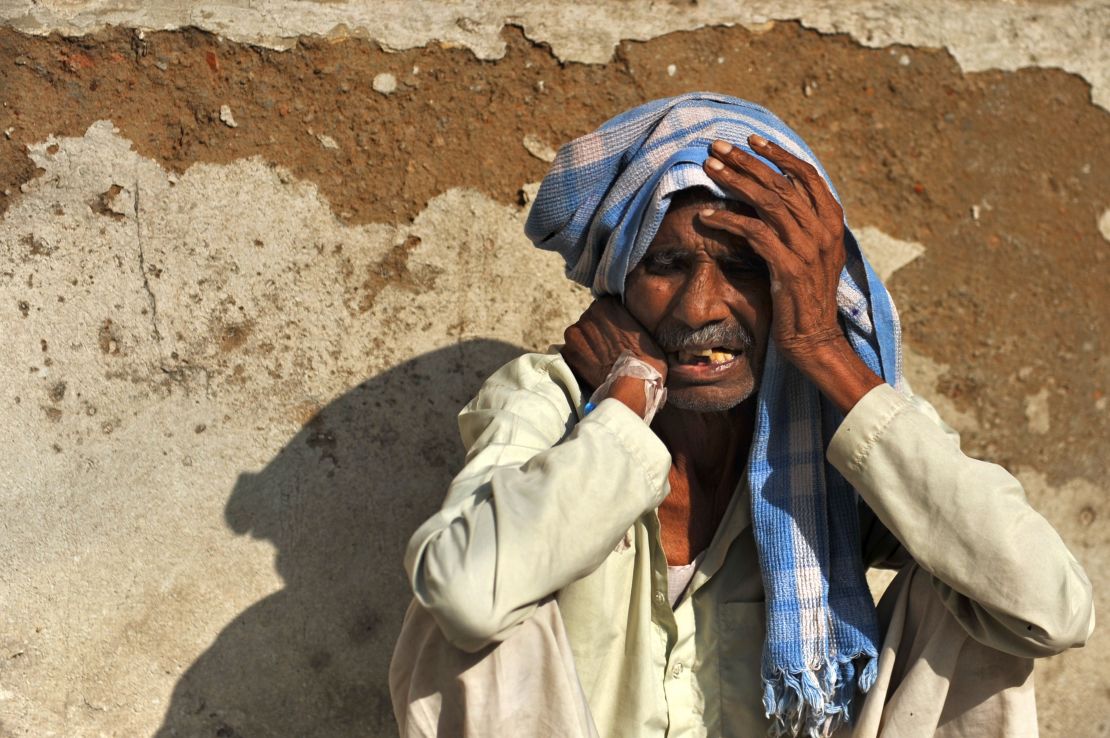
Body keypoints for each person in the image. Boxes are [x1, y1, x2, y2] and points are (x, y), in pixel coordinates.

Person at [389, 93, 1094, 738]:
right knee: (470, 588)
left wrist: (823, 350)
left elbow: (1049, 609)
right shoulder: (556, 397)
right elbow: (462, 594)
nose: (700, 308)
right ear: (620, 283)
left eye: (746, 267)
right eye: (665, 263)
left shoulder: (825, 424)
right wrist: (628, 398)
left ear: (803, 284)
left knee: (973, 594)